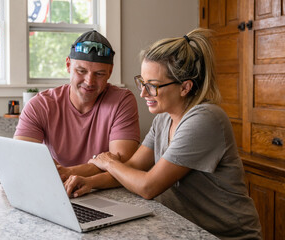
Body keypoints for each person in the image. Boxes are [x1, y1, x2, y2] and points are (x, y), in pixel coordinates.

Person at [64, 28, 262, 239]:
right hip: (184, 230)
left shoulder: (206, 119)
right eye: (142, 82)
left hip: (224, 236)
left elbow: (148, 186)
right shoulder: (163, 119)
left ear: (185, 87)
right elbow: (131, 169)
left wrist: (109, 162)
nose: (142, 93)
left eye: (153, 86)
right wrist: (90, 183)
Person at [14, 30, 140, 180]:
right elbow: (21, 159)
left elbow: (122, 165)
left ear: (110, 72)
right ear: (68, 65)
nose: (89, 82)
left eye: (99, 74)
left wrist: (66, 172)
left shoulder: (122, 101)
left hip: (103, 189)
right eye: (81, 71)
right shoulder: (40, 105)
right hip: (56, 186)